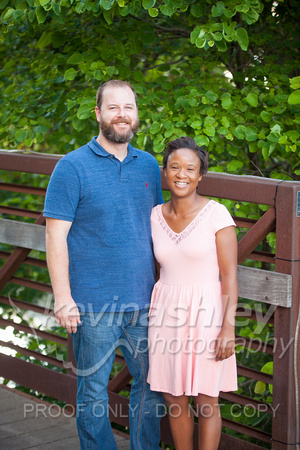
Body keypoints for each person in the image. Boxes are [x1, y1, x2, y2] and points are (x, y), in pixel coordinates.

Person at [44, 80, 164, 450]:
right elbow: (54, 237)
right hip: (93, 306)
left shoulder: (149, 166)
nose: (122, 115)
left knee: (151, 386)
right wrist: (63, 298)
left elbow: (161, 227)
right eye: (113, 108)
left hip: (144, 301)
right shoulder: (71, 167)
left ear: (136, 114)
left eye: (128, 107)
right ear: (98, 114)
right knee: (93, 393)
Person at [147, 137, 238, 450]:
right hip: (166, 314)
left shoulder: (217, 215)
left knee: (207, 400)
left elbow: (229, 276)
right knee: (175, 400)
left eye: (190, 168)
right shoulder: (155, 216)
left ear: (200, 176)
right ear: (165, 172)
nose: (181, 174)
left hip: (207, 314)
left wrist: (228, 328)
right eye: (174, 167)